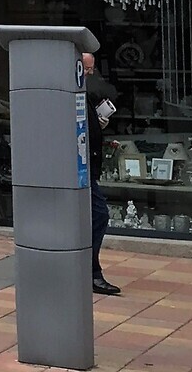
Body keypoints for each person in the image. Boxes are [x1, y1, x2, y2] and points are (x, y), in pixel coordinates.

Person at [83, 51, 121, 296]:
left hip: (87, 166)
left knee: (95, 216)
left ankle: (90, 270)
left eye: (92, 69)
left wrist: (98, 123)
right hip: (79, 168)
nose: (90, 73)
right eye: (86, 69)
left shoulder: (85, 93)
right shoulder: (73, 92)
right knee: (98, 215)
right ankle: (90, 271)